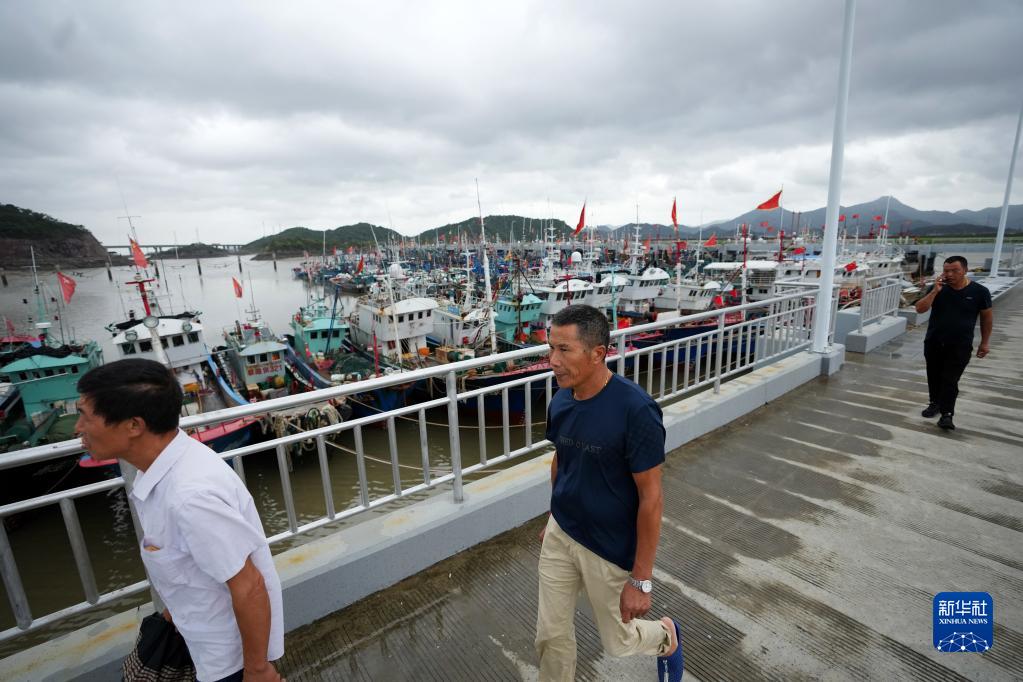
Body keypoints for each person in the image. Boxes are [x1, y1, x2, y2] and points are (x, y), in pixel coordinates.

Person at [75, 359, 284, 682]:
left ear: (134, 425)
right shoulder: (167, 469)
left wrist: (257, 670)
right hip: (199, 641)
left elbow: (249, 586)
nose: (78, 428)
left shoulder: (190, 497)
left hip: (227, 662)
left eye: (85, 416)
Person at [536, 305, 683, 682]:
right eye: (551, 348)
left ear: (597, 353)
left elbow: (652, 498)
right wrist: (554, 514)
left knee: (618, 641)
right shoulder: (561, 399)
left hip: (607, 545)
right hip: (561, 534)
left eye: (564, 350)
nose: (553, 361)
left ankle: (665, 636)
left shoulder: (636, 410)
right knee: (550, 636)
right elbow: (562, 459)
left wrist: (641, 581)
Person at [914, 255, 993, 431]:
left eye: (954, 270)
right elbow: (919, 309)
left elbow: (987, 318)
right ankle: (934, 403)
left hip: (960, 345)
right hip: (934, 342)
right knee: (934, 375)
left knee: (950, 379)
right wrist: (934, 291)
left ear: (965, 270)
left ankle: (947, 414)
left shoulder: (980, 292)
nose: (949, 274)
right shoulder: (937, 288)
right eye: (946, 270)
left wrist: (985, 342)